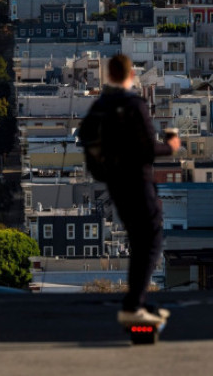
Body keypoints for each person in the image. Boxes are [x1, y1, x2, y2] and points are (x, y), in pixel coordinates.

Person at [88, 53, 181, 325]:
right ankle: (134, 304)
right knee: (150, 240)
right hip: (138, 183)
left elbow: (88, 141)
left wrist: (104, 173)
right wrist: (171, 146)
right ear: (131, 75)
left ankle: (135, 301)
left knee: (137, 240)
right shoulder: (134, 104)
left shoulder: (100, 106)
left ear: (108, 76)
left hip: (115, 184)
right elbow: (147, 149)